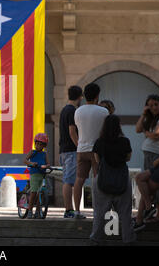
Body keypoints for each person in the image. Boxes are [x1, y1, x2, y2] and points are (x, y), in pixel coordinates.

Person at [90, 115, 136, 244]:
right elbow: (128, 158)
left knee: (99, 213)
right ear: (118, 126)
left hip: (103, 179)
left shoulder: (99, 142)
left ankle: (96, 238)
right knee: (125, 213)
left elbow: (97, 160)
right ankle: (128, 239)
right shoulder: (125, 141)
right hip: (122, 178)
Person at [73, 83, 109, 219]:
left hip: (81, 149)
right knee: (98, 179)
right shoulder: (103, 112)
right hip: (97, 150)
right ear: (97, 95)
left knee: (79, 179)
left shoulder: (78, 111)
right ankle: (98, 211)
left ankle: (76, 211)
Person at [135, 94, 159, 220]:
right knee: (148, 183)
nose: (153, 107)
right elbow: (137, 129)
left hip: (156, 154)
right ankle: (150, 209)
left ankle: (158, 211)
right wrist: (144, 113)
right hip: (148, 154)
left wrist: (147, 133)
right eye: (150, 105)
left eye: (156, 104)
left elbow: (156, 135)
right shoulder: (150, 118)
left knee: (154, 183)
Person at [58, 85, 83, 219]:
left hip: (63, 150)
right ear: (80, 97)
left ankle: (69, 209)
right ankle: (69, 210)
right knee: (69, 181)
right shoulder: (72, 111)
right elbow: (72, 131)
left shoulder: (64, 110)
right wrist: (79, 147)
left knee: (67, 179)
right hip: (71, 150)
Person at [23, 133, 50, 219]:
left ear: (44, 145)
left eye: (41, 144)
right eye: (37, 144)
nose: (38, 146)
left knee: (40, 193)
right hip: (34, 174)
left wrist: (47, 166)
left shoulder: (44, 154)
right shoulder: (32, 152)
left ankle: (38, 211)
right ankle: (30, 211)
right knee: (34, 192)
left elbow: (48, 163)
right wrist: (32, 163)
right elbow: (25, 160)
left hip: (42, 175)